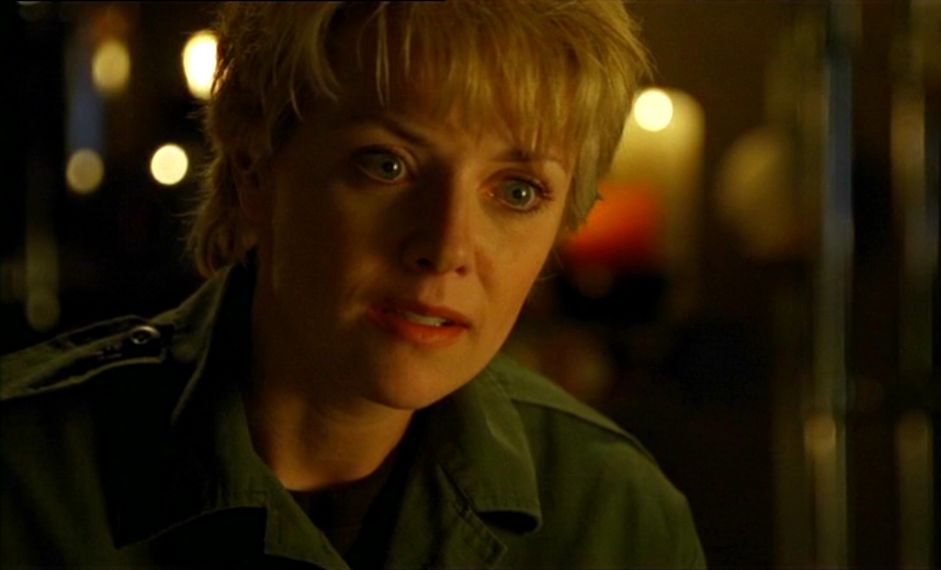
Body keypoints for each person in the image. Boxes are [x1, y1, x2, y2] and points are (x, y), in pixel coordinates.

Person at [1, 2, 706, 568]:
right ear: (254, 166)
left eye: (517, 191)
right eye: (387, 165)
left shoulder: (612, 515)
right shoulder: (29, 484)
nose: (446, 248)